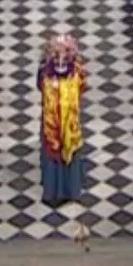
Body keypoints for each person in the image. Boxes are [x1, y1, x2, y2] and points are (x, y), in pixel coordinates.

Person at [38, 35, 88, 204]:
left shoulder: (75, 73)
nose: (60, 56)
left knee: (69, 142)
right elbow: (42, 86)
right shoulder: (46, 74)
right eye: (57, 53)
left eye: (65, 52)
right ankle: (54, 190)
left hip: (70, 120)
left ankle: (70, 187)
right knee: (53, 144)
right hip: (53, 122)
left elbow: (81, 86)